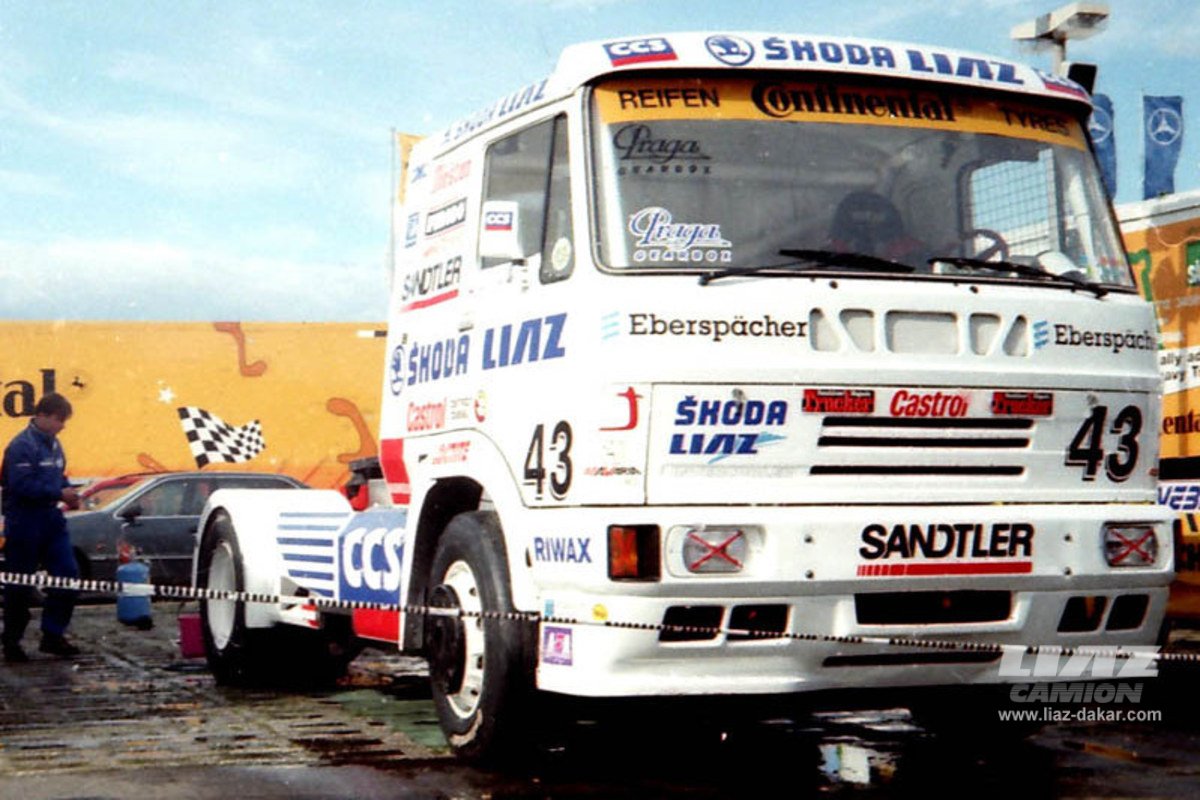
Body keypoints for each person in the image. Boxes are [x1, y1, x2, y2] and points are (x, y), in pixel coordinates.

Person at [1, 393, 82, 661]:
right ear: (42, 416)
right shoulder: (21, 446)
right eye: (59, 420)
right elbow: (20, 485)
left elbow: (59, 475)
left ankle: (53, 635)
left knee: (68, 574)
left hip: (51, 520)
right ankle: (12, 641)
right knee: (20, 583)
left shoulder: (55, 445)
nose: (62, 426)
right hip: (24, 521)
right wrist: (58, 494)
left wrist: (68, 492)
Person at [827, 190, 931, 267]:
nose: (868, 218)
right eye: (860, 213)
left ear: (891, 217)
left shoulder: (913, 252)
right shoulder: (828, 254)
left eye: (876, 213)